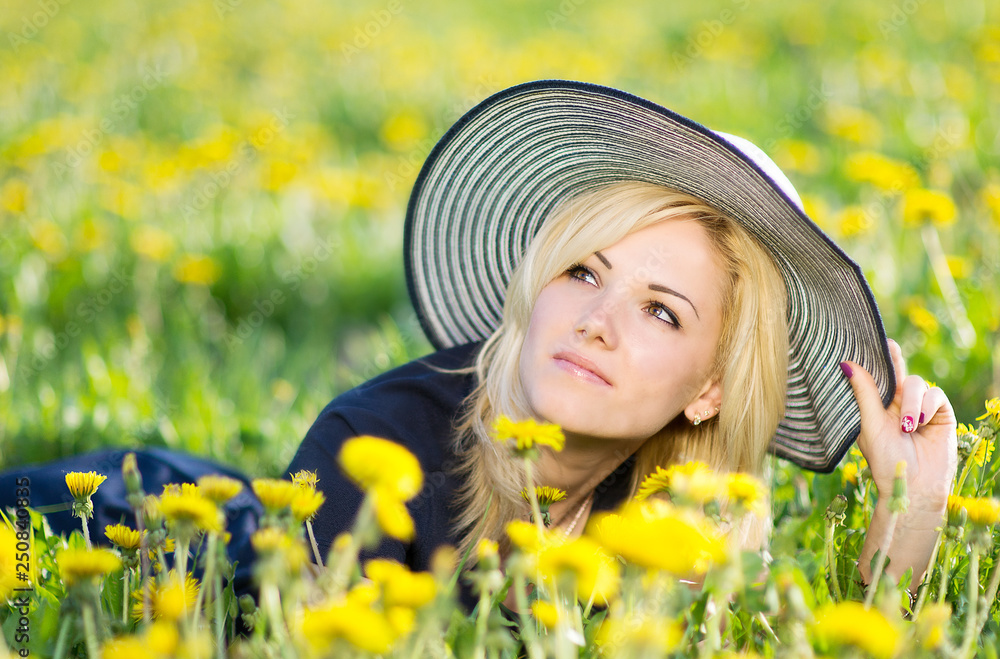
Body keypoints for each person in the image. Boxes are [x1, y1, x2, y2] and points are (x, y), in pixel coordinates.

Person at [1, 80, 956, 604]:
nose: (597, 319)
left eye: (663, 311)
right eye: (583, 271)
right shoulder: (376, 448)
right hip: (99, 535)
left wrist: (909, 508)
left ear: (708, 389)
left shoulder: (676, 513)